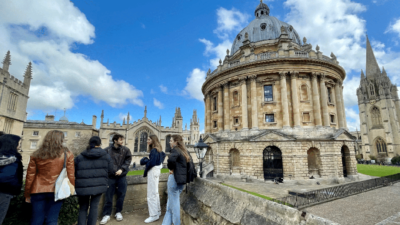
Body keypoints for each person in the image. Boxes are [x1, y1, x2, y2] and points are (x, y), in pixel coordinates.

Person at [25, 130, 75, 225]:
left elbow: (30, 176)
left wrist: (27, 194)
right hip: (57, 189)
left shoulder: (36, 154)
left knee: (36, 220)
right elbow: (70, 174)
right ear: (61, 140)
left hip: (38, 189)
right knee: (52, 220)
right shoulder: (67, 154)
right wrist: (71, 189)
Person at [75, 136, 113, 225]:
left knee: (83, 208)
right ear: (100, 144)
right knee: (94, 207)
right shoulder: (106, 156)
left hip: (83, 185)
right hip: (99, 185)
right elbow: (111, 170)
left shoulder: (80, 156)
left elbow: (73, 169)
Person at [100, 134, 132, 224]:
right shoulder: (106, 150)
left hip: (121, 176)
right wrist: (111, 171)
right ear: (115, 140)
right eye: (121, 139)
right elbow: (103, 162)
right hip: (110, 177)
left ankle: (118, 212)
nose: (122, 141)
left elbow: (128, 161)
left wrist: (121, 170)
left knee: (121, 195)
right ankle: (106, 214)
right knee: (108, 196)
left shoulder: (126, 150)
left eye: (123, 139)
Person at [162, 135, 190, 225]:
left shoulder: (175, 149)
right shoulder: (184, 151)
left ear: (176, 142)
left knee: (174, 207)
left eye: (171, 140)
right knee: (170, 207)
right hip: (181, 181)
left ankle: (177, 223)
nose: (169, 142)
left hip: (174, 179)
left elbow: (170, 161)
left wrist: (171, 169)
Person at [140, 135, 166, 223]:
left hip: (153, 171)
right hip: (156, 171)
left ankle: (153, 215)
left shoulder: (154, 150)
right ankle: (157, 211)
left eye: (149, 139)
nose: (147, 140)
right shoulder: (158, 150)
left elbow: (152, 162)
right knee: (155, 192)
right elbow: (163, 155)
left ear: (153, 140)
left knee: (151, 194)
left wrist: (145, 161)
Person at [0, 134, 23, 224]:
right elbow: (7, 177)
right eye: (18, 143)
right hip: (3, 193)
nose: (19, 146)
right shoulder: (12, 159)